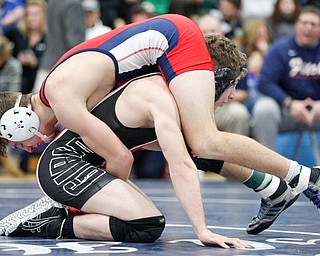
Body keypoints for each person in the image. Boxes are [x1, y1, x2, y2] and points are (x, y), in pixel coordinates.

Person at [0, 14, 318, 242]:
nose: (26, 148)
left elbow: (123, 159)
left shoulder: (62, 97)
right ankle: (274, 187)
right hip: (168, 39)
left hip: (170, 39)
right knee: (196, 143)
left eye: (15, 143)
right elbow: (133, 154)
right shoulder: (68, 99)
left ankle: (306, 178)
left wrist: (201, 230)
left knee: (204, 140)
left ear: (17, 123)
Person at [0, 36, 250, 248]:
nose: (232, 96)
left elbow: (169, 151)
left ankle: (60, 213)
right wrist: (202, 230)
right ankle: (47, 223)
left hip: (77, 164)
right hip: (65, 166)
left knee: (146, 223)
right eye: (232, 86)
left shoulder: (156, 90)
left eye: (17, 143)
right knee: (144, 224)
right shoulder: (157, 95)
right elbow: (152, 161)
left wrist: (268, 184)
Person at [252, 6, 320, 150]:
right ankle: (267, 166)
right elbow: (265, 82)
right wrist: (289, 103)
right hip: (287, 110)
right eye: (304, 23)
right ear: (296, 25)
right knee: (264, 108)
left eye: (313, 24)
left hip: (317, 111)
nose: (308, 28)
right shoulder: (280, 49)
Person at [32, 0, 85, 93]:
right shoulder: (73, 4)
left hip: (47, 66)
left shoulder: (53, 2)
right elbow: (75, 41)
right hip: (63, 70)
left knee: (36, 105)